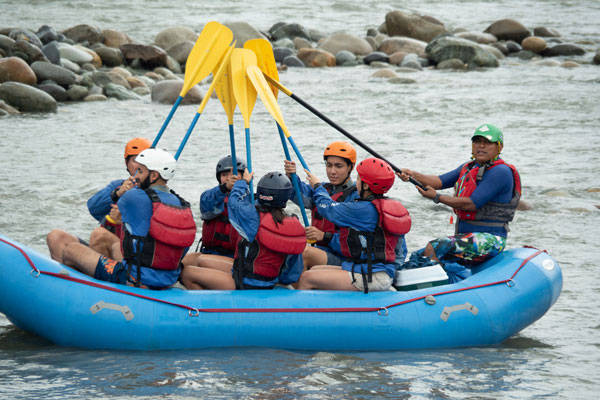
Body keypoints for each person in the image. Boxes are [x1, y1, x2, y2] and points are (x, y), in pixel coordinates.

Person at [47, 148, 197, 289]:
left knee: (71, 250)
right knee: (107, 239)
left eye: (140, 171)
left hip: (135, 277)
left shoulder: (134, 196)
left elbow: (100, 212)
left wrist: (118, 193)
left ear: (154, 175)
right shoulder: (182, 204)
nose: (135, 176)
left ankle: (79, 292)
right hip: (167, 278)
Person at [398, 123, 521, 271]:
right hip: (467, 236)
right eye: (477, 141)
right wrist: (412, 174)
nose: (480, 146)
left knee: (435, 247)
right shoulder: (469, 167)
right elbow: (439, 181)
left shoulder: (501, 172)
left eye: (487, 142)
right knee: (419, 255)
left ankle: (433, 290)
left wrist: (436, 197)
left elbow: (471, 204)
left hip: (491, 240)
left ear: (499, 147)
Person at [297, 157, 411, 293]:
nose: (356, 183)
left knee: (307, 278)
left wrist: (317, 186)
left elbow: (327, 208)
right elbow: (400, 249)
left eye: (358, 179)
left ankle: (299, 312)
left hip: (371, 276)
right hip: (377, 271)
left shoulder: (363, 209)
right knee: (316, 270)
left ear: (366, 186)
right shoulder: (389, 206)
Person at [181, 170, 306, 290]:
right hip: (270, 281)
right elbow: (292, 272)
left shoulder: (253, 218)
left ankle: (209, 308)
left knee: (187, 273)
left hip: (244, 282)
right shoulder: (293, 224)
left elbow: (234, 202)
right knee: (201, 260)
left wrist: (243, 182)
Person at [284, 141, 359, 270]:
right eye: (329, 165)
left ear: (351, 167)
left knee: (304, 253)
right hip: (319, 251)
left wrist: (324, 236)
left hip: (343, 259)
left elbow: (356, 243)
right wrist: (292, 178)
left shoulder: (356, 197)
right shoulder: (322, 189)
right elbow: (301, 195)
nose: (332, 171)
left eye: (338, 166)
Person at [86, 137, 151, 256]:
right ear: (127, 163)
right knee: (57, 237)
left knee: (99, 235)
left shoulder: (153, 192)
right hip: (109, 246)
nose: (140, 166)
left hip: (134, 253)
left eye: (144, 162)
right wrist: (117, 194)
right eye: (135, 160)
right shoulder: (117, 185)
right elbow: (93, 207)